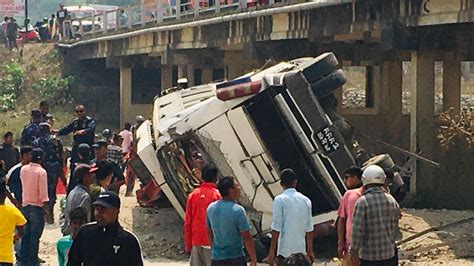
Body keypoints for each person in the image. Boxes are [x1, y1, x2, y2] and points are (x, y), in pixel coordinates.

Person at [68, 191, 144, 265]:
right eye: (97, 209)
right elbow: (73, 262)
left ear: (116, 212)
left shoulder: (127, 240)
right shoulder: (85, 233)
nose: (98, 213)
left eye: (103, 209)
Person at [350, 165, 401, 266]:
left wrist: (354, 252)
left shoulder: (362, 202)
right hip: (389, 255)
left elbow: (357, 231)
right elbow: (395, 226)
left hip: (369, 257)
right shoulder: (392, 200)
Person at [206, 176, 257, 266]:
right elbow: (247, 237)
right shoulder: (238, 210)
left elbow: (209, 232)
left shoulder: (211, 208)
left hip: (217, 258)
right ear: (231, 190)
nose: (239, 188)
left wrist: (214, 250)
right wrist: (253, 258)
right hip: (235, 258)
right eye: (237, 186)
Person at [268, 169, 314, 266]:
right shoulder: (306, 200)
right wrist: (310, 251)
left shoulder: (279, 200)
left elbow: (276, 227)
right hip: (301, 253)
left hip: (284, 252)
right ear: (295, 182)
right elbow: (309, 228)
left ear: (281, 184)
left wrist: (271, 252)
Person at [184, 164, 222, 266]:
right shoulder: (217, 195)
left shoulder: (192, 195)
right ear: (215, 178)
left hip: (196, 242)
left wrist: (188, 245)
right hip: (213, 243)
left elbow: (188, 223)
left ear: (202, 177)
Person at [19, 148, 49, 266]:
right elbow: (43, 195)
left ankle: (23, 260)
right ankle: (32, 261)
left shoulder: (23, 169)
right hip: (36, 207)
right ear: (41, 158)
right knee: (35, 237)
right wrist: (47, 211)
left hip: (25, 205)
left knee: (26, 236)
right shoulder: (41, 172)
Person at [34, 122, 64, 224]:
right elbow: (61, 156)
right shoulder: (56, 141)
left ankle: (43, 215)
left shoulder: (36, 141)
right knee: (51, 192)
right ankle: (50, 214)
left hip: (40, 169)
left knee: (40, 192)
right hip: (53, 169)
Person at [337, 166, 364, 266]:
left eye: (347, 177)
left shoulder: (348, 195)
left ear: (356, 178)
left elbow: (341, 220)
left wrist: (340, 243)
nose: (345, 180)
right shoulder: (374, 194)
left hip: (351, 244)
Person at [62, 164, 97, 235]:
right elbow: (85, 220)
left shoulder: (73, 191)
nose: (93, 176)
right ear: (85, 177)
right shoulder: (84, 196)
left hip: (69, 231)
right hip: (77, 233)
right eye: (90, 174)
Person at [0, 181, 27, 266]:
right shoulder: (13, 211)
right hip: (6, 257)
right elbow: (22, 230)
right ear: (5, 196)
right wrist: (15, 238)